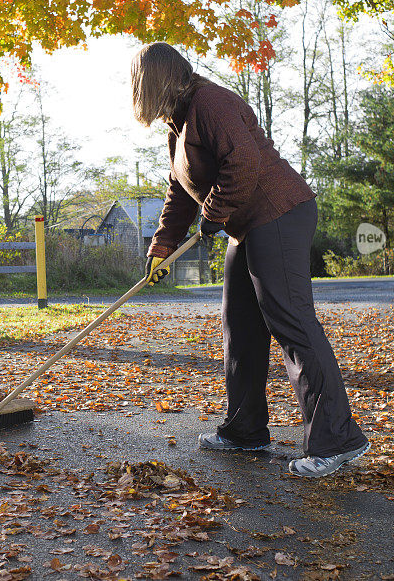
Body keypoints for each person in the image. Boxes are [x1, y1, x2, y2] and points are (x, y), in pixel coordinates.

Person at [131, 42, 369, 478]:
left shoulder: (212, 102)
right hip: (247, 226)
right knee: (239, 324)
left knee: (291, 320)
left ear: (156, 80)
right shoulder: (178, 125)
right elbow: (178, 195)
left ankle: (338, 439)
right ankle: (245, 431)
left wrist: (214, 213)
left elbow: (245, 162)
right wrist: (161, 248)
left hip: (278, 213)